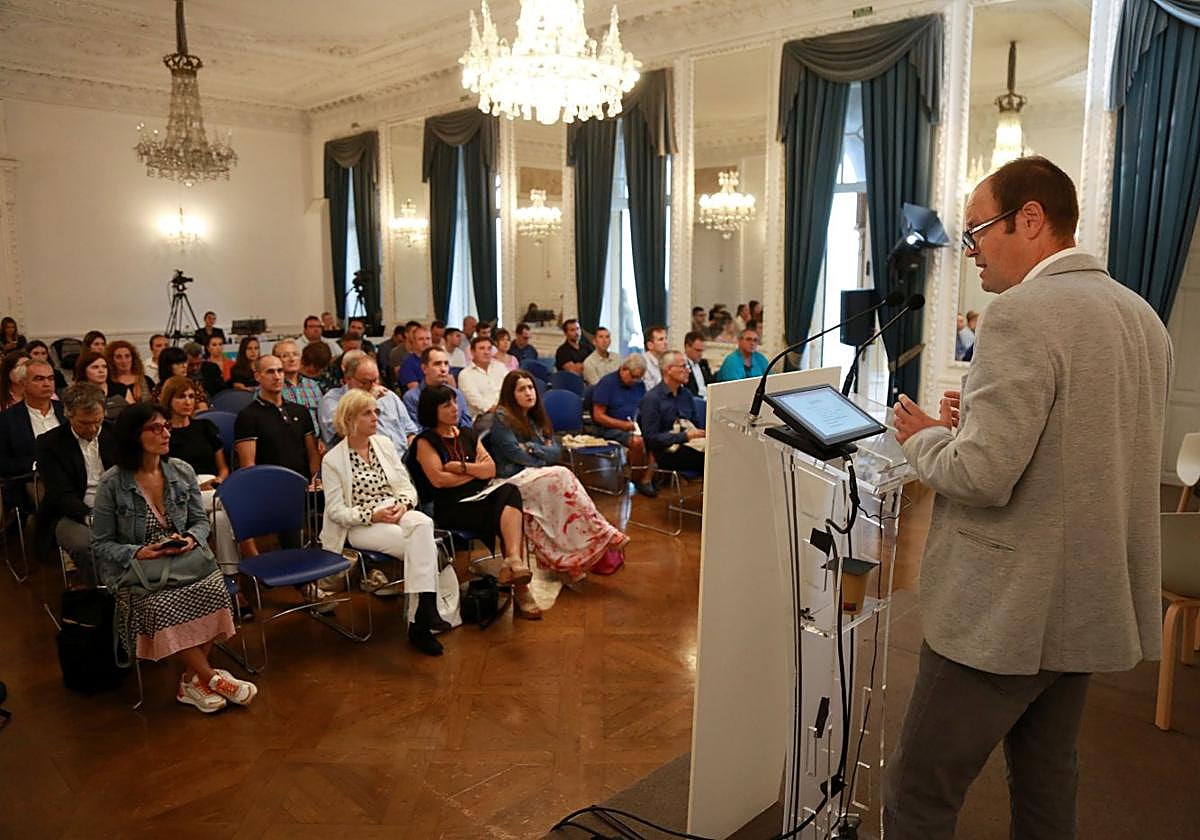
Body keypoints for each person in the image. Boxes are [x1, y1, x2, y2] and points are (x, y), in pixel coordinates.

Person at [884, 156, 1173, 840]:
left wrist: (925, 439)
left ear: (1032, 219)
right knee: (1046, 786)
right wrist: (973, 427)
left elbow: (982, 477)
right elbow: (1086, 448)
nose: (970, 249)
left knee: (918, 796)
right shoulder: (1141, 317)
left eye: (978, 229)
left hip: (1006, 612)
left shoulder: (1020, 313)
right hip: (1086, 599)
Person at [90, 402, 256, 713]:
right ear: (134, 435)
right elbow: (100, 543)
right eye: (156, 428)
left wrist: (190, 538)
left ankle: (191, 681)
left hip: (182, 560)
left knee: (215, 590)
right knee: (162, 602)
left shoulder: (181, 471)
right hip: (139, 568)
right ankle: (211, 677)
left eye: (166, 426)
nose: (166, 433)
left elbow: (200, 521)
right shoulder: (113, 483)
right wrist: (139, 551)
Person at [320, 389, 447, 656]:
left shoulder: (384, 444)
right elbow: (335, 511)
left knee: (423, 523)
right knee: (423, 547)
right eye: (367, 413)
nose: (376, 417)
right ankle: (422, 620)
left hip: (395, 510)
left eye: (376, 411)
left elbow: (406, 486)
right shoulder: (332, 460)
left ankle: (424, 612)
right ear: (350, 419)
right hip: (361, 524)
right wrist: (371, 515)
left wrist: (404, 504)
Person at [410, 386, 539, 618]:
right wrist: (475, 472)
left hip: (479, 498)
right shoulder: (425, 441)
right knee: (505, 505)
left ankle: (513, 562)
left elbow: (490, 469)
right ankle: (520, 586)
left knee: (509, 491)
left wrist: (461, 468)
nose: (455, 408)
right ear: (432, 410)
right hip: (452, 507)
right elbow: (439, 480)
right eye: (446, 405)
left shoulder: (467, 433)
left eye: (455, 402)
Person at [490, 371, 628, 582]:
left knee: (563, 501)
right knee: (561, 475)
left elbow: (556, 451)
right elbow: (514, 454)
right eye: (521, 389)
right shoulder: (502, 418)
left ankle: (571, 559)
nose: (529, 393)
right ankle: (602, 532)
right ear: (510, 394)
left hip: (535, 474)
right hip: (511, 479)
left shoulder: (535, 417)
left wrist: (531, 448)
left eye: (530, 388)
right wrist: (540, 455)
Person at [160, 375, 241, 585]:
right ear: (169, 400)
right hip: (180, 492)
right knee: (228, 503)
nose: (188, 401)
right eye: (181, 397)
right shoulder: (163, 433)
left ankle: (230, 577)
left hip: (212, 486)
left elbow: (223, 468)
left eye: (191, 396)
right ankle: (250, 551)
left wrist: (218, 480)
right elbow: (162, 475)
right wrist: (196, 487)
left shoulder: (205, 426)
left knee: (220, 519)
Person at [35, 384, 115, 584]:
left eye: (98, 422)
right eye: (85, 423)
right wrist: (90, 517)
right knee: (86, 546)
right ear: (69, 416)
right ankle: (103, 592)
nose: (93, 429)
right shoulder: (49, 443)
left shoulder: (116, 434)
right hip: (72, 513)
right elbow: (59, 493)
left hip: (116, 507)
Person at [234, 356, 320, 483]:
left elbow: (313, 455)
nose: (277, 376)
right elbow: (248, 466)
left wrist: (315, 482)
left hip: (304, 485)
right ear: (257, 376)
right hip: (269, 485)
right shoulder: (247, 416)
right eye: (270, 372)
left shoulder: (301, 411)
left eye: (280, 371)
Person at [318, 352, 419, 456]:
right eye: (365, 382)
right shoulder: (332, 400)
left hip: (402, 457)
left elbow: (410, 431)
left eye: (376, 380)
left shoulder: (388, 396)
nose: (373, 386)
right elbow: (343, 433)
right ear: (348, 379)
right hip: (362, 460)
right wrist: (369, 400)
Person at [588, 357, 654, 497]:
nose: (636, 381)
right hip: (608, 428)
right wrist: (623, 425)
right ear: (624, 370)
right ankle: (636, 479)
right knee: (637, 442)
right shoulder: (607, 383)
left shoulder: (639, 384)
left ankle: (647, 477)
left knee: (657, 436)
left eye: (639, 378)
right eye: (634, 377)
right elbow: (599, 416)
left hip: (633, 425)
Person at [640, 351, 706, 474]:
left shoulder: (686, 395)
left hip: (689, 443)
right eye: (683, 366)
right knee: (712, 458)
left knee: (721, 450)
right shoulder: (652, 399)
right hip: (666, 450)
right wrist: (684, 436)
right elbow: (651, 438)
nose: (688, 370)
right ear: (669, 369)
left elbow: (695, 424)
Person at [0, 357, 63, 481]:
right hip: (30, 484)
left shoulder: (68, 411)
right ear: (23, 384)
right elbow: (3, 462)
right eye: (39, 379)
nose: (47, 384)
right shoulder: (7, 420)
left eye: (51, 378)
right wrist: (36, 465)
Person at [403, 347, 471, 429]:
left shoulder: (456, 393)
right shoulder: (412, 397)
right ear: (424, 368)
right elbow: (417, 430)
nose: (443, 369)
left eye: (446, 364)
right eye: (437, 364)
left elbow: (467, 424)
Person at [273, 339, 322, 434]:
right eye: (285, 356)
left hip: (314, 440)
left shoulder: (313, 385)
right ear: (276, 360)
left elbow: (320, 418)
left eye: (295, 354)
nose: (292, 359)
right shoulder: (270, 387)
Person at [457, 335, 507, 423]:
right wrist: (497, 409)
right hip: (482, 417)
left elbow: (510, 386)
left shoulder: (500, 367)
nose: (486, 352)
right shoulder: (465, 375)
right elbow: (476, 401)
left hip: (505, 411)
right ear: (472, 352)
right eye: (482, 348)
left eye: (489, 348)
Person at [105, 340, 155, 404]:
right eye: (118, 357)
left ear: (133, 358)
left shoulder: (146, 380)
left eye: (127, 356)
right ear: (111, 360)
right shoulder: (108, 383)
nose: (124, 361)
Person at [397, 326, 432, 390]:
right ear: (413, 342)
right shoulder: (408, 364)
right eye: (421, 339)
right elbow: (415, 391)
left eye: (428, 338)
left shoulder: (437, 360)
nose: (425, 342)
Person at [682, 331, 714, 398]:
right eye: (697, 350)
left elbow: (710, 383)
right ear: (687, 347)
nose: (700, 354)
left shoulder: (703, 363)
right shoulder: (682, 365)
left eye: (702, 350)